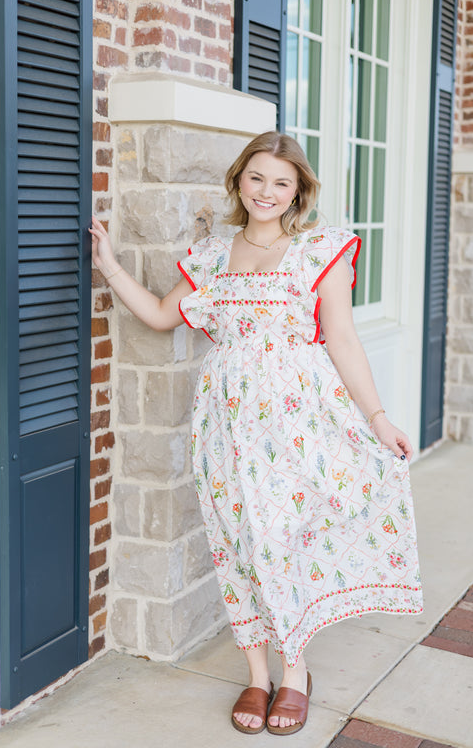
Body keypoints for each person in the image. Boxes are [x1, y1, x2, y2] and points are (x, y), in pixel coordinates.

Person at [89, 131, 423, 736]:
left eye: (282, 183)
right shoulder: (213, 255)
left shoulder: (317, 249)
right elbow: (165, 316)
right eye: (257, 178)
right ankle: (257, 673)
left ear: (298, 192)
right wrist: (111, 265)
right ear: (239, 181)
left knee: (285, 538)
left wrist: (377, 416)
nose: (267, 192)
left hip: (300, 420)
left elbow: (343, 339)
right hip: (226, 422)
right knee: (238, 540)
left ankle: (295, 674)